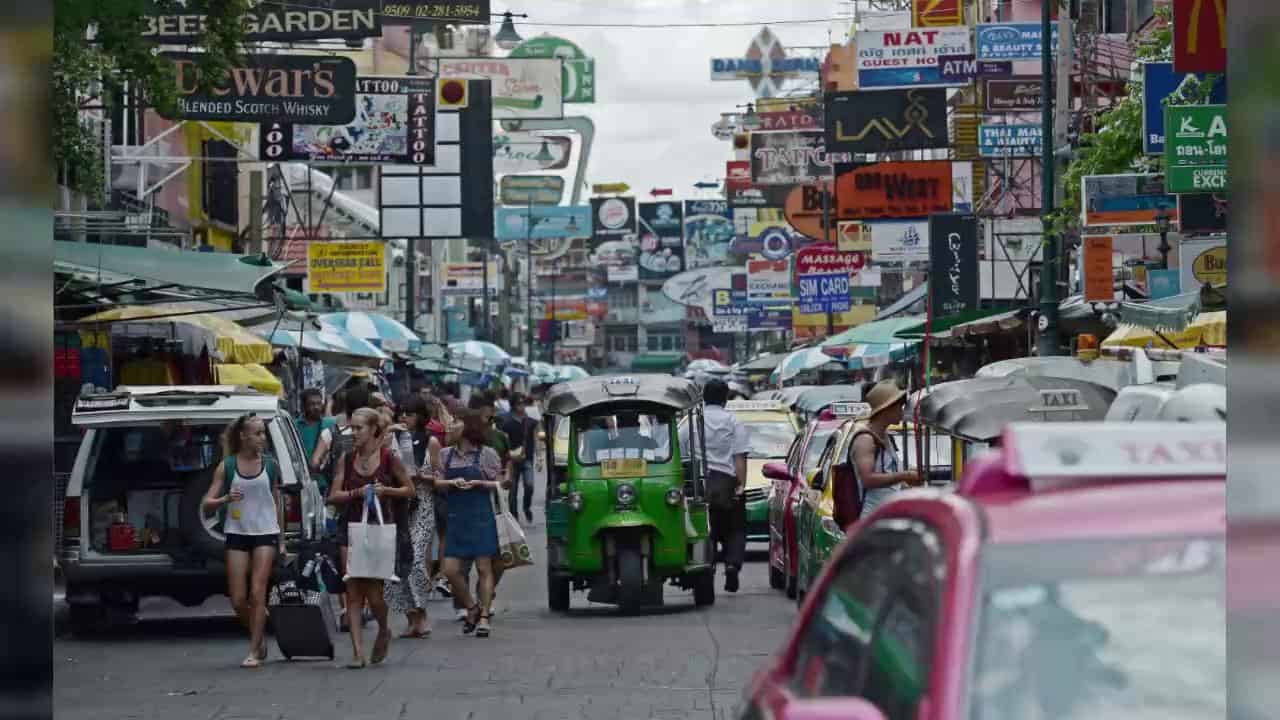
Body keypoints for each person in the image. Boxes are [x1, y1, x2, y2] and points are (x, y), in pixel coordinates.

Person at [328, 407, 416, 668]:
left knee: (375, 594)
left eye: (358, 428)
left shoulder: (389, 459)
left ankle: (383, 629)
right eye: (351, 428)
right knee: (353, 589)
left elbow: (409, 490)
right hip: (351, 529)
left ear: (373, 429)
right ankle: (357, 652)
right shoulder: (346, 458)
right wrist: (357, 493)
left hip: (380, 527)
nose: (353, 433)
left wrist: (385, 490)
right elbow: (333, 495)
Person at [201, 414, 284, 668]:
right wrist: (225, 499)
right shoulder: (226, 466)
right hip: (237, 532)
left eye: (263, 433)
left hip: (265, 532)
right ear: (243, 436)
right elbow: (206, 504)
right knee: (238, 598)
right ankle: (258, 633)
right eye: (257, 433)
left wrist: (281, 538)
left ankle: (253, 650)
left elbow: (277, 501)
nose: (261, 438)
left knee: (258, 592)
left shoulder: (270, 465)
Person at [434, 410, 507, 638]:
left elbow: (500, 483)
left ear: (466, 427)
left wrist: (480, 482)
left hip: (481, 516)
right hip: (456, 518)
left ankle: (483, 617)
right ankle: (471, 607)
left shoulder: (487, 454)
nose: (449, 426)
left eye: (454, 421)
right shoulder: (445, 454)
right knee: (450, 570)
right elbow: (436, 482)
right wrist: (450, 482)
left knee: (484, 568)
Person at [681, 379, 749, 593]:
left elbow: (681, 451)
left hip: (698, 486)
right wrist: (740, 486)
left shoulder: (690, 422)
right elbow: (740, 457)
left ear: (703, 398)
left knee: (700, 531)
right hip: (726, 484)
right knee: (735, 530)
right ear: (726, 399)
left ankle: (703, 568)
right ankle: (731, 565)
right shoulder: (733, 422)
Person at [384, 396, 439, 639]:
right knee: (396, 565)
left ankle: (422, 612)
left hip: (423, 504)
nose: (405, 417)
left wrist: (420, 476)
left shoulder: (431, 441)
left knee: (416, 561)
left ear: (420, 416)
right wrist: (387, 433)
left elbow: (438, 476)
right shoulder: (391, 439)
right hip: (398, 505)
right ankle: (411, 617)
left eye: (410, 413)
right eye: (402, 412)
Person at [847, 380, 923, 518]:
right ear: (886, 408)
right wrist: (904, 476)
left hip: (887, 515)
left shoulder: (884, 436)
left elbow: (889, 481)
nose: (901, 411)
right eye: (898, 407)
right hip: (871, 518)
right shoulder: (866, 440)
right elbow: (867, 479)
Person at [500, 393, 538, 525]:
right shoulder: (506, 421)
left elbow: (536, 438)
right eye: (519, 403)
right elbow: (501, 439)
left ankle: (526, 507)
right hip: (511, 461)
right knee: (512, 492)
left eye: (523, 403)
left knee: (530, 485)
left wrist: (539, 457)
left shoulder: (530, 420)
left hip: (527, 458)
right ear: (513, 405)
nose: (522, 406)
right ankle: (514, 518)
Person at [295, 388, 336, 495]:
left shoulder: (329, 424)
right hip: (301, 483)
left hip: (325, 483)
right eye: (312, 404)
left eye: (319, 403)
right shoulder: (294, 426)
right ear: (304, 406)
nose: (316, 407)